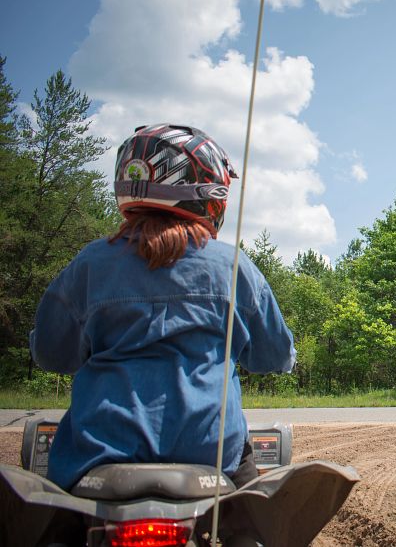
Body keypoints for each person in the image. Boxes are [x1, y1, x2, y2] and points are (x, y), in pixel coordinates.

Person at [29, 123, 296, 495]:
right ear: (207, 192)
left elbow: (51, 354)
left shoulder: (90, 263)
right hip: (211, 453)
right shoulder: (231, 265)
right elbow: (273, 355)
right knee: (255, 522)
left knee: (51, 523)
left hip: (98, 453)